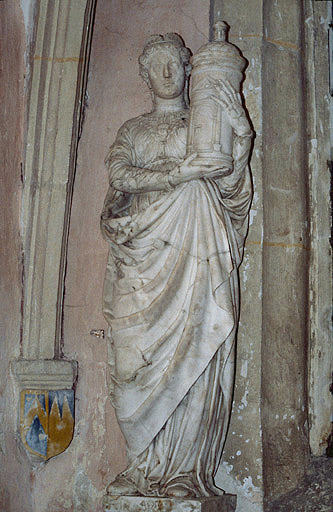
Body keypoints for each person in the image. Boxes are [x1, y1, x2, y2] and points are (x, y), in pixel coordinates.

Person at [101, 33, 252, 498]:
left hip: (196, 252)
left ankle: (183, 472)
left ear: (190, 71)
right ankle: (145, 469)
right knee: (134, 362)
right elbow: (119, 174)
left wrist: (242, 134)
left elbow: (230, 187)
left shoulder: (205, 122)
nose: (167, 73)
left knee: (196, 348)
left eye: (175, 64)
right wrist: (177, 174)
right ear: (145, 76)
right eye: (157, 66)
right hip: (143, 256)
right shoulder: (133, 130)